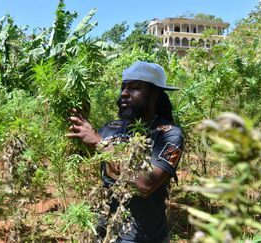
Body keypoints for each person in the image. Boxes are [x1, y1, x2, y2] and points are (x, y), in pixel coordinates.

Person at [66, 61, 184, 242]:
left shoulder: (169, 135)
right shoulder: (111, 128)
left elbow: (145, 185)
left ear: (153, 95)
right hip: (106, 233)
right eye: (123, 87)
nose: (124, 93)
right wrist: (77, 122)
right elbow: (82, 158)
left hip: (144, 237)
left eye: (134, 88)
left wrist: (99, 142)